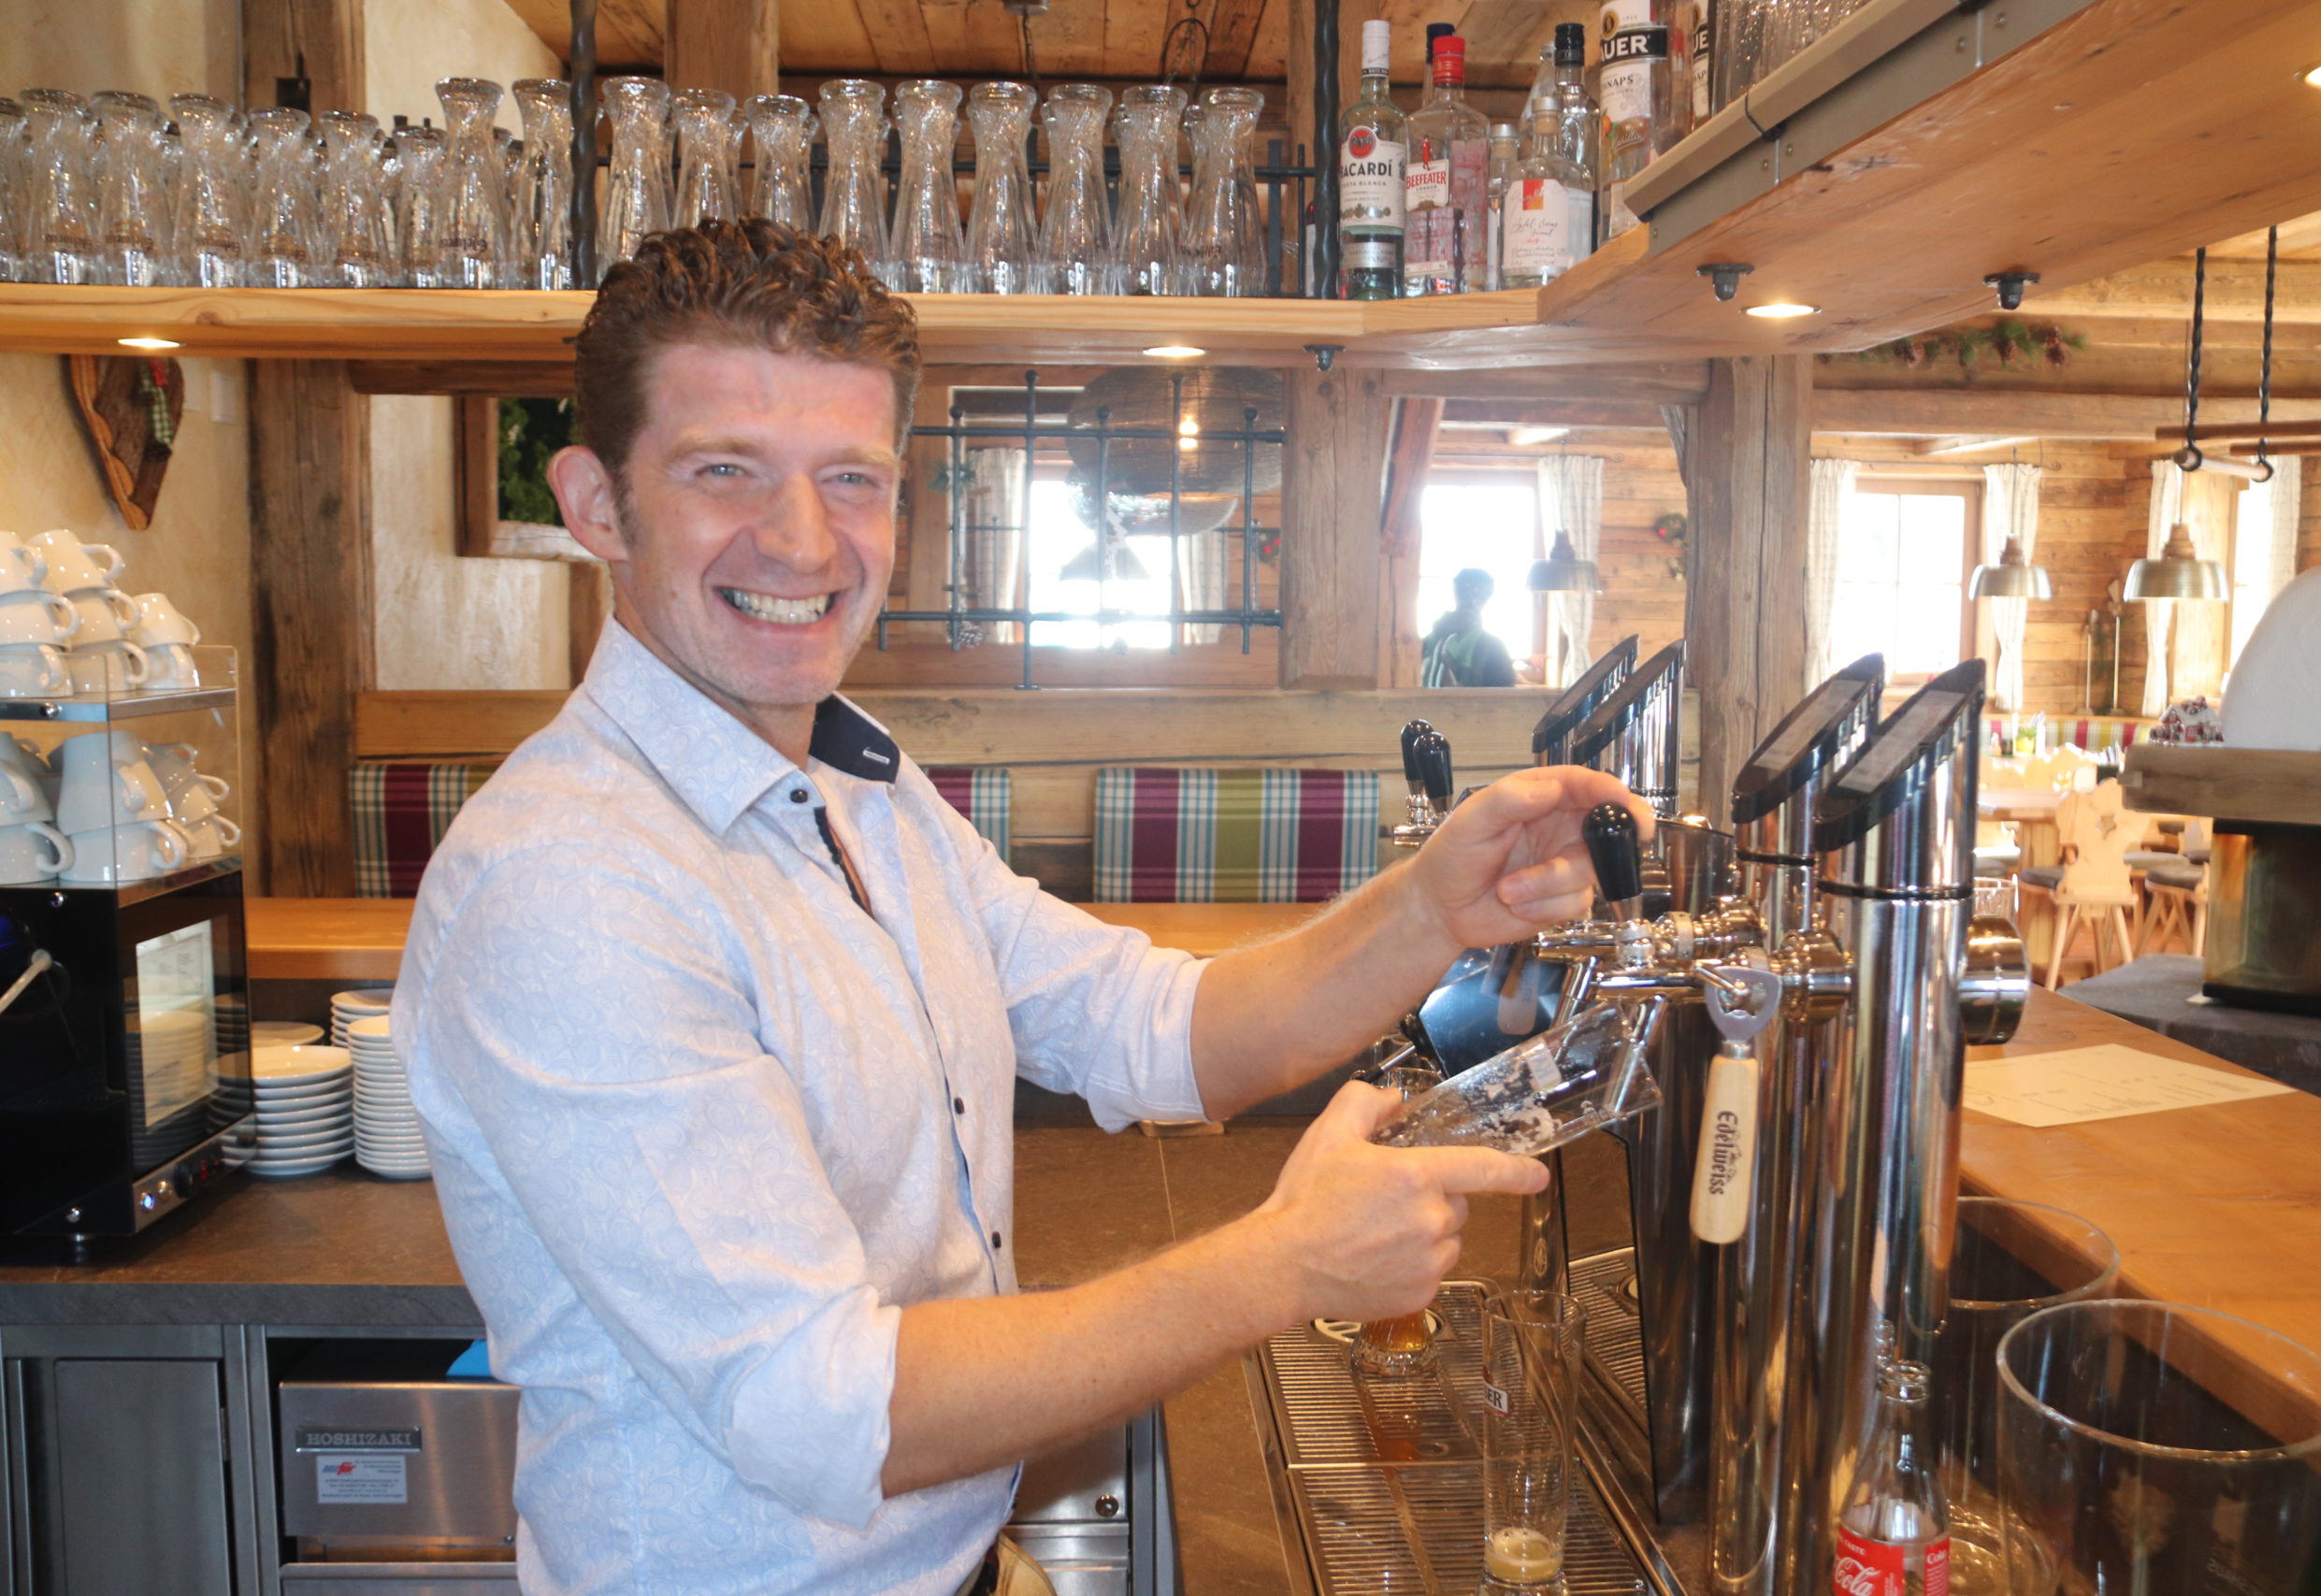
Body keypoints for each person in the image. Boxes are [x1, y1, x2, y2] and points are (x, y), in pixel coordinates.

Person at [392, 221, 1648, 1596]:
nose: (804, 538)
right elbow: (823, 1403)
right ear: (596, 502)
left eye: (851, 477)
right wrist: (1281, 1263)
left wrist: (1431, 907)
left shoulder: (856, 785)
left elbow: (1154, 1025)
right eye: (725, 470)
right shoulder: (571, 882)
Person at [1420, 568, 1519, 686]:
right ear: (1456, 593)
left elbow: (1504, 695)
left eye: (1480, 595)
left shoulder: (1493, 647)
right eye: (1465, 592)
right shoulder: (1425, 644)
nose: (1471, 599)